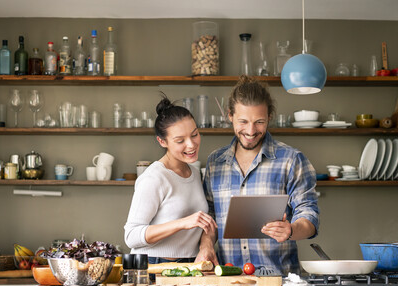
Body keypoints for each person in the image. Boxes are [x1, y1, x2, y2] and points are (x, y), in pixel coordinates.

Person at [199, 76, 320, 275]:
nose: (251, 130)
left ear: (269, 117)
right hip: (229, 278)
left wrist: (291, 230)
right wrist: (206, 246)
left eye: (259, 122)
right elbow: (209, 217)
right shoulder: (215, 162)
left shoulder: (291, 159)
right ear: (230, 115)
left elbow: (310, 215)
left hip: (280, 279)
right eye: (243, 121)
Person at [124, 95, 217, 266]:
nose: (191, 144)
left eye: (194, 134)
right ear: (162, 141)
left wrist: (206, 244)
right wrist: (182, 223)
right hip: (154, 266)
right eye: (180, 140)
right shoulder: (154, 178)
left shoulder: (195, 174)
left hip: (191, 264)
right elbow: (131, 236)